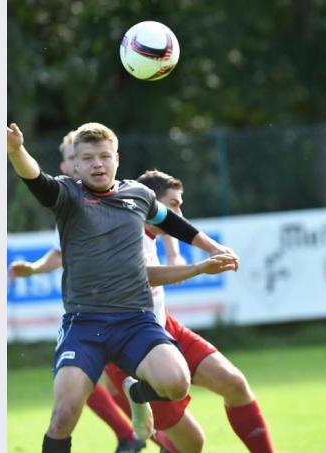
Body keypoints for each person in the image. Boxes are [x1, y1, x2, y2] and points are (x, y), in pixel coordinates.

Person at [6, 121, 238, 453]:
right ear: (76, 164)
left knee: (177, 383)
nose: (97, 164)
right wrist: (16, 151)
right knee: (63, 416)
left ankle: (137, 394)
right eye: (88, 158)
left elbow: (173, 222)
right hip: (84, 324)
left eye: (104, 156)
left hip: (135, 321)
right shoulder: (68, 194)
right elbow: (35, 179)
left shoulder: (138, 194)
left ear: (116, 158)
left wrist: (212, 247)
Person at [100, 170, 274, 453]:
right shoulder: (127, 233)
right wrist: (197, 268)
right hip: (132, 350)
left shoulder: (149, 228)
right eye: (174, 204)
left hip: (164, 328)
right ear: (151, 204)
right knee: (192, 443)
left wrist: (175, 253)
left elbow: (166, 227)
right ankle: (138, 397)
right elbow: (143, 275)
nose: (179, 213)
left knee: (234, 384)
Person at [7, 130, 149, 453]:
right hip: (89, 315)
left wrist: (180, 256)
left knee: (140, 385)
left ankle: (144, 435)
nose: (87, 164)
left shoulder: (122, 199)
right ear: (67, 165)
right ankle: (132, 434)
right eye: (76, 159)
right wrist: (33, 269)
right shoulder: (69, 200)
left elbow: (162, 218)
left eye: (98, 157)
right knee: (80, 390)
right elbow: (58, 254)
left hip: (129, 314)